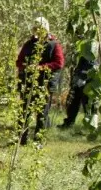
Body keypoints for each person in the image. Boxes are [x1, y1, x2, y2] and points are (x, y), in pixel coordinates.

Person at [16, 16, 65, 144]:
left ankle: (38, 141)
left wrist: (41, 68)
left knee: (42, 113)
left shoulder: (54, 45)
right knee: (24, 111)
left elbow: (59, 63)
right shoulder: (28, 44)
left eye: (40, 29)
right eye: (36, 29)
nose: (38, 31)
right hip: (28, 81)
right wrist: (27, 68)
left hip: (45, 83)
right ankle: (21, 140)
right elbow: (19, 61)